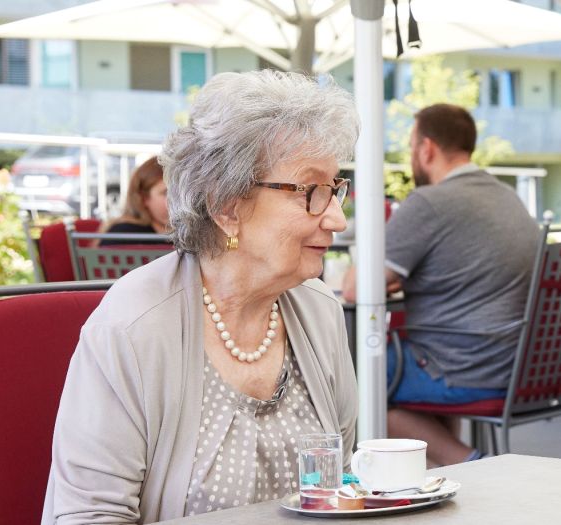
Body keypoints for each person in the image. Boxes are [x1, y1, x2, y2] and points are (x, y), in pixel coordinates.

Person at [42, 71, 359, 523]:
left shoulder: (318, 310)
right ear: (226, 206)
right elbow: (91, 515)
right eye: (312, 192)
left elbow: (340, 481)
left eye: (336, 190)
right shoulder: (134, 327)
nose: (336, 219)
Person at [341, 103, 539, 466]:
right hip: (521, 363)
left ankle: (473, 464)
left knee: (351, 381)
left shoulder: (429, 203)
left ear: (426, 148)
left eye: (411, 146)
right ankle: (450, 472)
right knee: (401, 361)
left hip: (461, 366)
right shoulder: (509, 197)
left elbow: (355, 289)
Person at [99, 157, 171, 245]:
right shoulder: (124, 235)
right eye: (166, 193)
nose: (179, 200)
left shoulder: (188, 235)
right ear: (144, 198)